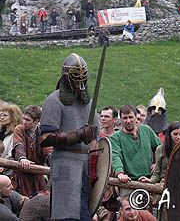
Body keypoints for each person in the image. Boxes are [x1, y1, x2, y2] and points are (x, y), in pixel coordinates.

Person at [40, 53, 99, 221]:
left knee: (83, 214)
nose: (80, 83)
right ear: (66, 77)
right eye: (76, 77)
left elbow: (96, 140)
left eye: (83, 77)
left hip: (86, 166)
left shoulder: (88, 103)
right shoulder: (54, 101)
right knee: (66, 215)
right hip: (65, 164)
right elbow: (46, 138)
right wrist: (77, 135)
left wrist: (96, 165)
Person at [110, 105, 160, 183]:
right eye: (125, 118)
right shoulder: (115, 137)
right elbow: (115, 156)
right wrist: (120, 173)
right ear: (121, 119)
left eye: (130, 117)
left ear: (136, 117)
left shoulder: (146, 130)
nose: (128, 121)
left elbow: (159, 148)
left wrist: (157, 163)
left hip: (149, 179)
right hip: (129, 180)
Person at [12, 105, 51, 197]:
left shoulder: (42, 133)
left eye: (27, 120)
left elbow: (48, 152)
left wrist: (55, 163)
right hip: (21, 175)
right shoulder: (19, 129)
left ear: (36, 121)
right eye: (23, 118)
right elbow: (18, 145)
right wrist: (22, 158)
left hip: (37, 177)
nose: (24, 122)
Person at [0, 104, 23, 175]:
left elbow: (12, 155)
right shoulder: (2, 133)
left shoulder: (16, 134)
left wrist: (3, 165)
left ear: (14, 117)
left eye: (5, 115)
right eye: (1, 115)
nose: (1, 117)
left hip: (9, 173)